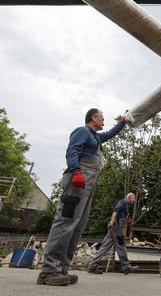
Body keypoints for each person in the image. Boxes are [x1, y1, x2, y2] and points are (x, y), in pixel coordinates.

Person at [37, 108, 131, 286]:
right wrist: (76, 171)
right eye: (102, 118)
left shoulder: (95, 137)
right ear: (94, 118)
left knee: (77, 226)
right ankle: (49, 271)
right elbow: (72, 150)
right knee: (65, 222)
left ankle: (62, 269)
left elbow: (111, 133)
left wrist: (123, 121)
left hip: (87, 185)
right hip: (77, 181)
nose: (104, 122)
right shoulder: (82, 131)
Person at [87, 193, 139, 275]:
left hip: (115, 226)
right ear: (129, 197)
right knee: (121, 245)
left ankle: (92, 266)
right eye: (133, 198)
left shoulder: (126, 204)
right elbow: (115, 211)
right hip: (116, 226)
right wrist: (112, 221)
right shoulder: (123, 202)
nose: (134, 200)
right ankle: (126, 266)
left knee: (105, 246)